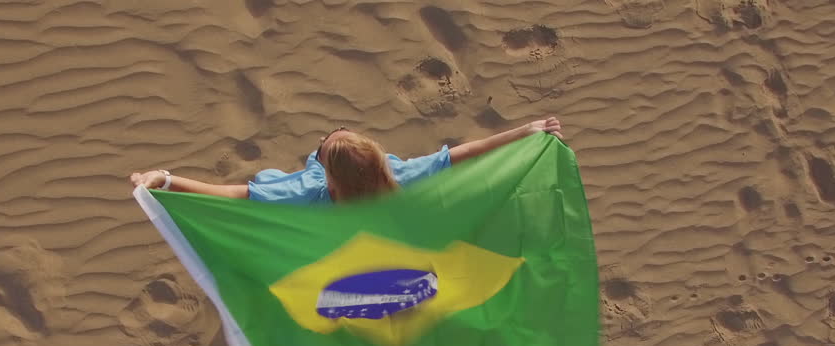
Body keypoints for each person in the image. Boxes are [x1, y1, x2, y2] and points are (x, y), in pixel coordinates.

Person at [129, 117, 563, 204]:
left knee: (265, 179)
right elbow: (462, 155)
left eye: (321, 148)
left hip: (307, 227)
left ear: (328, 176)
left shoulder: (303, 192)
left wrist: (164, 178)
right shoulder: (401, 178)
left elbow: (230, 192)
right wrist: (525, 132)